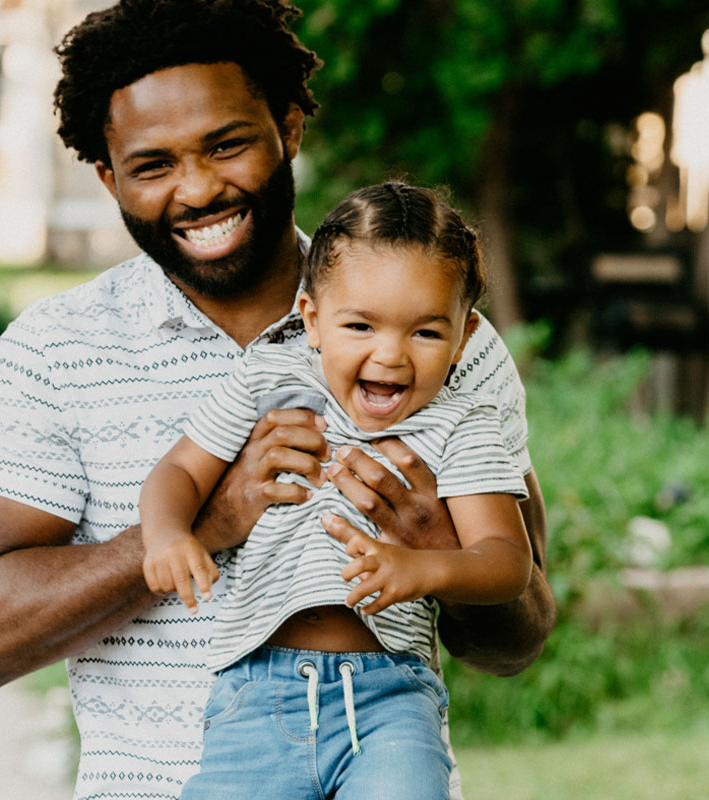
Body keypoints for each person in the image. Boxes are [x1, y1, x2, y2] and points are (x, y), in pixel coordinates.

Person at [0, 2, 554, 799]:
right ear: (108, 176)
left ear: (288, 129)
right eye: (152, 166)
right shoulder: (57, 351)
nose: (197, 190)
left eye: (226, 145)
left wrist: (434, 542)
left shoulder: (439, 343)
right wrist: (211, 519)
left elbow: (521, 634)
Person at [141, 182, 532, 798]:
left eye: (427, 333)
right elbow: (181, 471)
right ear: (313, 321)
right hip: (255, 695)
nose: (391, 355)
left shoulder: (463, 423)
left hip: (391, 701)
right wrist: (167, 534)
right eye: (360, 325)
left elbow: (507, 563)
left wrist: (422, 568)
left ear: (464, 337)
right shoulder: (268, 378)